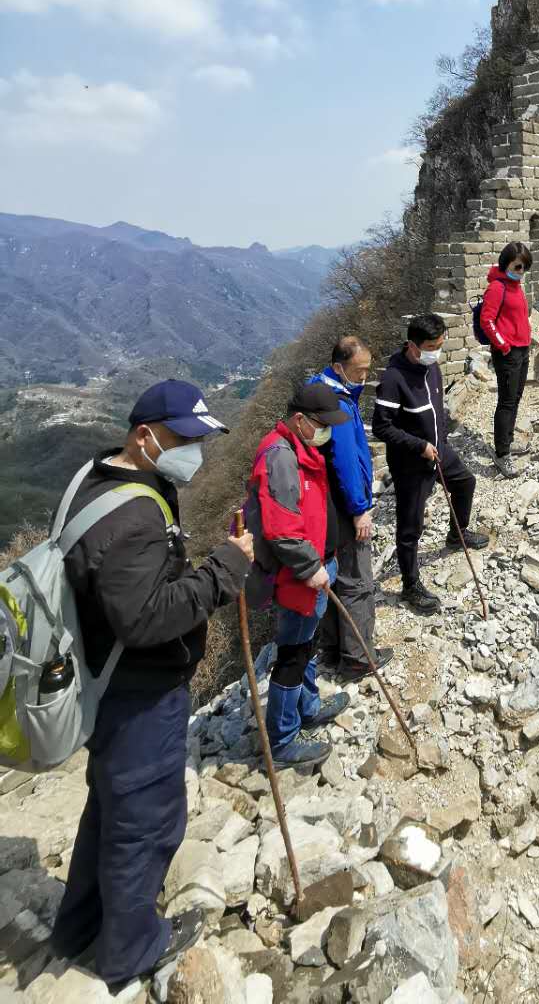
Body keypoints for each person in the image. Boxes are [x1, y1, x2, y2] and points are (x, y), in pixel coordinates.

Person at [50, 380, 252, 987]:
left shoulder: (96, 478)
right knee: (147, 819)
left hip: (102, 677)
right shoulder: (134, 516)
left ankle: (79, 927)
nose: (195, 452)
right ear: (144, 437)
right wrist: (225, 568)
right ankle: (131, 950)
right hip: (138, 691)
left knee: (110, 808)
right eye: (182, 439)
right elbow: (145, 619)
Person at [246, 381, 352, 767]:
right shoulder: (280, 457)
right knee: (292, 653)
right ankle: (282, 739)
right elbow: (282, 528)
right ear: (299, 419)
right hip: (299, 575)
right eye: (321, 425)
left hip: (315, 567)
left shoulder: (300, 448)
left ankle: (308, 708)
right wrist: (311, 567)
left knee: (306, 644)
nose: (326, 432)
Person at [372, 314, 488, 616]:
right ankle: (410, 585)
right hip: (411, 462)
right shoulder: (393, 378)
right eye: (431, 347)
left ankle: (457, 534)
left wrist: (439, 440)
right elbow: (382, 427)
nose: (436, 352)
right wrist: (419, 446)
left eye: (440, 345)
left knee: (465, 483)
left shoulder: (432, 368)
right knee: (411, 526)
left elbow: (437, 409)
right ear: (412, 345)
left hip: (438, 450)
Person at [308, 338, 392, 684]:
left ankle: (331, 650)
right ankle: (358, 659)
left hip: (324, 506)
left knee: (332, 576)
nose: (364, 377)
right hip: (344, 507)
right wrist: (360, 509)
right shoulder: (337, 404)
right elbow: (344, 462)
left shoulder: (316, 390)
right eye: (359, 371)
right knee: (356, 580)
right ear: (338, 367)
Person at [479, 243, 533, 479]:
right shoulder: (497, 287)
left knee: (516, 397)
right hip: (507, 353)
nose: (521, 272)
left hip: (522, 348)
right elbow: (487, 320)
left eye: (524, 268)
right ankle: (502, 453)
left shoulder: (515, 285)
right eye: (517, 267)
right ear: (506, 264)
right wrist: (503, 344)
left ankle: (508, 441)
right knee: (507, 401)